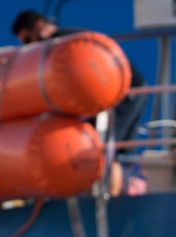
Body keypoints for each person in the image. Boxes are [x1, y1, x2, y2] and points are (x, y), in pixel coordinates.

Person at [11, 10, 148, 145]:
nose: (30, 47)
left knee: (105, 148)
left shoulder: (65, 44)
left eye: (28, 40)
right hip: (126, 90)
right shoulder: (69, 41)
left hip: (123, 92)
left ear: (40, 26)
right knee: (113, 150)